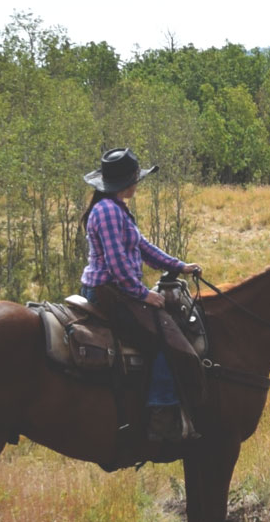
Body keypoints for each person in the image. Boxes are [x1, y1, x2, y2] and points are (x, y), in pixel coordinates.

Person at [80, 147, 204, 442]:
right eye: (135, 179)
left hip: (118, 289)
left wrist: (179, 265)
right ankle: (161, 416)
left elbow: (143, 247)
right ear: (125, 182)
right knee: (166, 338)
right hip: (110, 291)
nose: (138, 183)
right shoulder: (109, 211)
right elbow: (117, 264)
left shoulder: (115, 206)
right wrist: (142, 294)